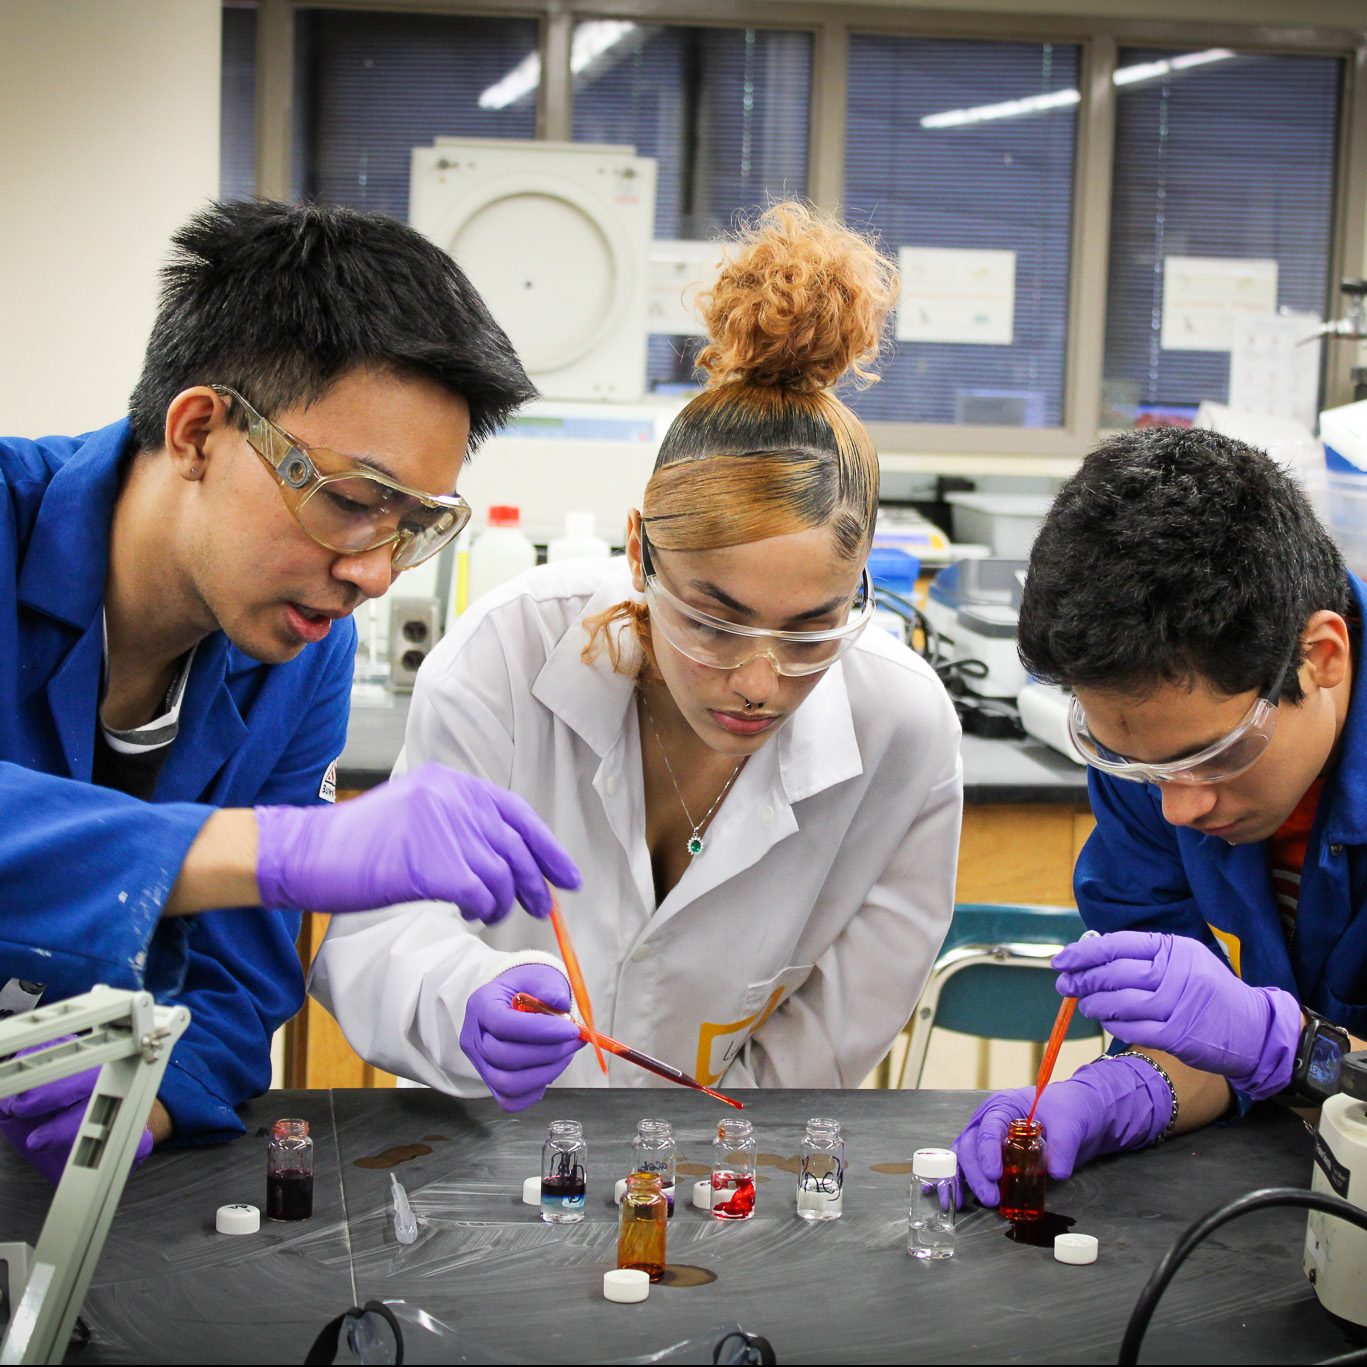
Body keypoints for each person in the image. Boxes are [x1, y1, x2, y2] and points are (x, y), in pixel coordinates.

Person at [312, 202, 964, 1109]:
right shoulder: (511, 655)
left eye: (812, 628)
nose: (758, 680)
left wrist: (693, 1164)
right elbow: (378, 933)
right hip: (490, 1158)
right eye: (713, 619)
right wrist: (463, 1000)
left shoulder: (899, 725)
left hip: (727, 1174)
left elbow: (840, 1022)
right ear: (637, 552)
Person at [0, 200, 580, 1179]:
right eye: (353, 502)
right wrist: (285, 849)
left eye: (413, 525)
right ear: (195, 432)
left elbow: (237, 982)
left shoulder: (298, 653)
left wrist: (155, 1101)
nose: (373, 571)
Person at [954, 426, 1367, 1208]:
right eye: (1141, 770)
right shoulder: (1145, 751)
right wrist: (1124, 1090)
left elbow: (1260, 1048)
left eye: (1214, 756)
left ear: (1320, 659)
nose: (1178, 806)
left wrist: (1295, 1049)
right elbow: (1207, 1049)